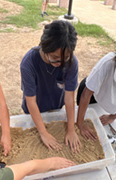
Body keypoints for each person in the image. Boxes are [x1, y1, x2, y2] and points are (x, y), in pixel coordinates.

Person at [20, 20, 81, 153]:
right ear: (43, 46)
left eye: (64, 59)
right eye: (54, 58)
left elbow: (70, 97)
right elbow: (31, 100)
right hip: (34, 109)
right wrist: (43, 132)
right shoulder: (29, 62)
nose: (59, 63)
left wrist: (71, 129)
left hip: (55, 106)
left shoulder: (71, 63)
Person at [77, 40, 116, 140]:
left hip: (114, 100)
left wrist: (113, 117)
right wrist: (80, 124)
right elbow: (86, 94)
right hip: (92, 93)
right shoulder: (107, 62)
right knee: (84, 116)